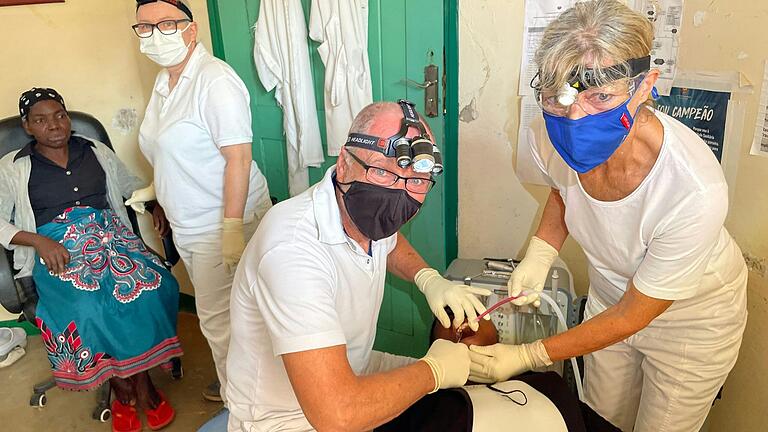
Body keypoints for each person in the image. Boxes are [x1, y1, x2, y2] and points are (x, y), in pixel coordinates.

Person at [468, 2, 748, 431]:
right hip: (608, 298)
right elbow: (565, 189)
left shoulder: (693, 189)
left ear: (644, 86)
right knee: (600, 419)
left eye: (601, 96)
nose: (576, 117)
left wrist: (528, 355)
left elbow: (635, 314)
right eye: (562, 97)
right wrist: (540, 254)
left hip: (688, 322)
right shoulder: (550, 130)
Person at [225, 101, 492, 431]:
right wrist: (434, 371)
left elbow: (388, 240)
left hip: (356, 368)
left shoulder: (366, 216)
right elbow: (338, 414)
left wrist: (428, 278)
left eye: (417, 181)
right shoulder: (292, 250)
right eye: (382, 171)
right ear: (344, 162)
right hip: (290, 418)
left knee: (469, 397)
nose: (399, 191)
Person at [0, 88, 181, 432]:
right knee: (88, 304)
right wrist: (37, 241)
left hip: (112, 235)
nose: (54, 125)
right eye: (41, 119)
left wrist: (156, 204)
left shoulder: (95, 150)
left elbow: (131, 186)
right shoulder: (12, 168)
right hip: (56, 245)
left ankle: (136, 387)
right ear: (27, 127)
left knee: (155, 287)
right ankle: (128, 390)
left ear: (68, 118)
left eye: (59, 115)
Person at [125, 0, 273, 405]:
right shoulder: (165, 82)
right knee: (225, 317)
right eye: (145, 27)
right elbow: (173, 148)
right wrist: (157, 189)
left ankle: (243, 404)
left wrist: (230, 229)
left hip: (221, 221)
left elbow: (238, 159)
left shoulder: (214, 81)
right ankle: (242, 386)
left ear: (191, 30)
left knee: (223, 320)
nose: (156, 34)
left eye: (167, 23)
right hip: (190, 221)